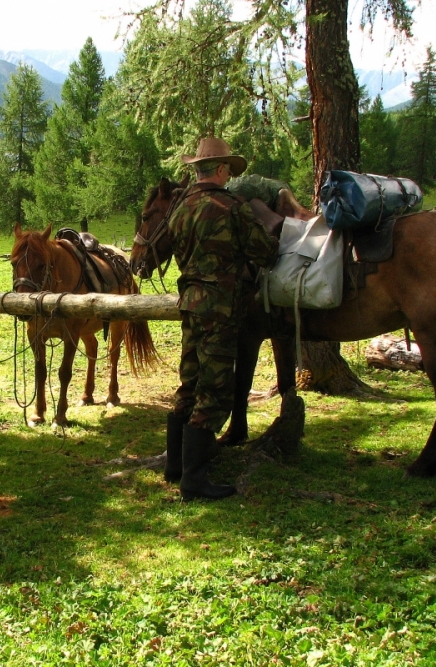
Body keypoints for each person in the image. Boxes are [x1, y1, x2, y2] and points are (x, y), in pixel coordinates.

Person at [164, 137, 280, 500]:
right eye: (228, 169)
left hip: (189, 303)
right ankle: (194, 481)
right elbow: (265, 252)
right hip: (220, 308)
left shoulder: (180, 209)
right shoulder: (232, 207)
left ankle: (176, 466)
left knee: (190, 382)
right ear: (218, 170)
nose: (230, 175)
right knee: (214, 391)